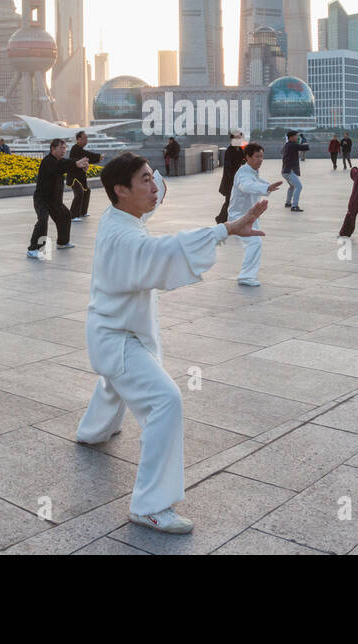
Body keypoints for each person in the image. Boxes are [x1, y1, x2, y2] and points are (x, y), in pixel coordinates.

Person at [75, 152, 268, 534]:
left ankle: (92, 430)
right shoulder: (124, 237)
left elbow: (153, 195)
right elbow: (160, 253)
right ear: (119, 190)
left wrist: (151, 183)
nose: (154, 187)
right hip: (117, 339)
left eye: (152, 178)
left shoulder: (121, 213)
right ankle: (150, 505)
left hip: (117, 330)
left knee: (117, 383)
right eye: (144, 180)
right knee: (165, 400)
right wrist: (224, 230)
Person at [228, 142, 283, 286]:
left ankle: (247, 275)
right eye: (257, 156)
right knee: (254, 242)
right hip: (239, 216)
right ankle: (246, 277)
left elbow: (257, 181)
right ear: (247, 157)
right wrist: (266, 187)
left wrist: (268, 186)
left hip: (251, 215)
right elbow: (247, 186)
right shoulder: (243, 174)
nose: (260, 160)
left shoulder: (251, 171)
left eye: (262, 157)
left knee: (254, 244)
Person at [28, 138, 89, 257]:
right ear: (53, 149)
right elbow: (61, 165)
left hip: (55, 200)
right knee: (42, 220)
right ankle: (33, 249)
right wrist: (76, 163)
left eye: (65, 148)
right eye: (61, 148)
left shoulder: (59, 162)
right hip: (42, 199)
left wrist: (80, 166)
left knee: (65, 216)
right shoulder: (48, 161)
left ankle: (62, 242)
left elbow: (66, 166)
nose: (63, 151)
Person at [68, 130, 102, 221]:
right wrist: (98, 157)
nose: (86, 140)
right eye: (84, 138)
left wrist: (96, 157)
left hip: (80, 177)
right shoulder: (75, 148)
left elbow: (86, 156)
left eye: (87, 138)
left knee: (86, 191)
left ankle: (82, 212)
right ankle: (73, 215)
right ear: (78, 139)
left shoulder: (80, 149)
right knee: (79, 193)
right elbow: (87, 155)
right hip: (74, 178)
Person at [215, 131, 247, 224]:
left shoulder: (241, 150)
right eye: (236, 138)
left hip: (238, 180)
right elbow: (228, 168)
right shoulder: (230, 150)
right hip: (230, 181)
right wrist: (233, 180)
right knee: (229, 200)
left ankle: (227, 218)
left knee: (233, 201)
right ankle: (221, 219)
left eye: (240, 138)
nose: (238, 140)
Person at [280, 130, 309, 212]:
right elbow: (306, 147)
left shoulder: (287, 145)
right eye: (296, 136)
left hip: (285, 171)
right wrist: (304, 140)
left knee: (292, 186)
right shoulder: (292, 145)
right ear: (291, 137)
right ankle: (294, 206)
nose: (297, 137)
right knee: (299, 186)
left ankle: (288, 203)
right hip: (289, 171)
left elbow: (282, 152)